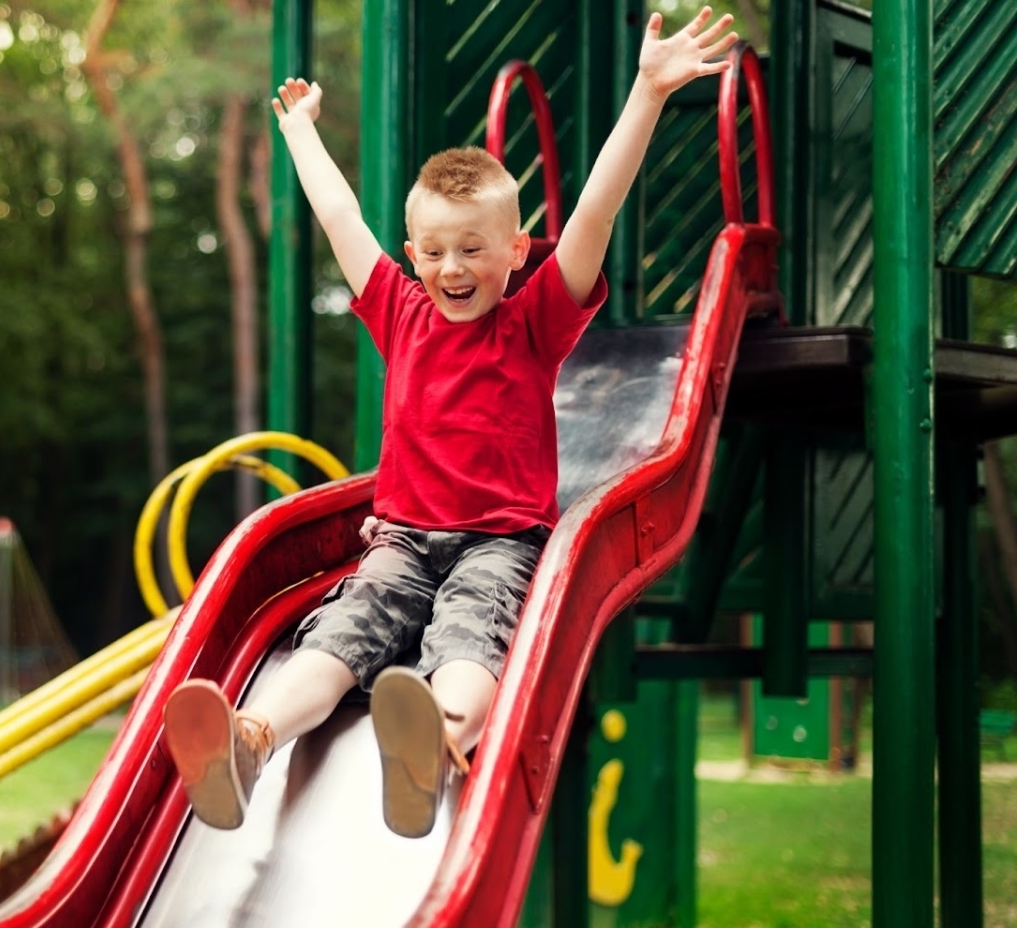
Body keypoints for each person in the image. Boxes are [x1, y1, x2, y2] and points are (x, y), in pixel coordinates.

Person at [163, 9, 738, 838]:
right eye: (432, 250)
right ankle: (252, 740)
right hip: (398, 541)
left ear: (515, 252)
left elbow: (596, 216)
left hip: (499, 543)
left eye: (473, 248)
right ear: (412, 250)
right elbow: (340, 219)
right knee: (341, 634)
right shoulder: (399, 310)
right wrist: (299, 135)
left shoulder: (535, 319)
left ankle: (439, 741)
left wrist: (647, 92)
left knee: (472, 640)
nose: (451, 267)